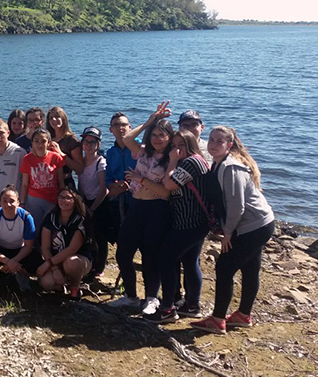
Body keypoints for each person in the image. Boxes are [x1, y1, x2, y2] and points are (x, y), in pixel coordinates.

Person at [191, 126, 275, 334]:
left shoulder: (230, 167)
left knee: (224, 268)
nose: (213, 144)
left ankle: (218, 319)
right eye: (211, 139)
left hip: (253, 226)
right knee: (250, 268)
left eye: (219, 141)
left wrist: (227, 233)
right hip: (257, 223)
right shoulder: (219, 164)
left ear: (229, 145)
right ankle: (243, 315)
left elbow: (237, 206)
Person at [109, 102, 174, 314]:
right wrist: (150, 120)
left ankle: (151, 298)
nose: (156, 139)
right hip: (136, 207)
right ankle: (130, 296)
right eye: (154, 135)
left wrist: (140, 179)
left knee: (150, 257)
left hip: (157, 210)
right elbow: (127, 138)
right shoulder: (143, 152)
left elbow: (165, 192)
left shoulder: (171, 159)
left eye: (161, 135)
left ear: (169, 138)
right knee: (123, 253)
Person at [145, 130, 211, 323]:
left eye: (180, 145)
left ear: (190, 144)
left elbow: (168, 184)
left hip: (189, 223)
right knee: (190, 262)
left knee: (166, 259)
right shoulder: (193, 161)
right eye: (173, 146)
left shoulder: (191, 162)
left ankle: (167, 309)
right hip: (192, 222)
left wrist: (172, 160)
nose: (176, 149)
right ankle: (192, 305)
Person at [0, 185, 41, 292]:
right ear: (0, 202)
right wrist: (8, 261)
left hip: (20, 250)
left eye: (12, 201)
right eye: (4, 201)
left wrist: (14, 261)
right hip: (0, 249)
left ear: (18, 202)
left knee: (35, 264)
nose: (8, 204)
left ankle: (21, 274)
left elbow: (28, 246)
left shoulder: (26, 217)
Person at [37, 188, 93, 298]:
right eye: (61, 197)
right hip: (55, 262)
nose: (64, 201)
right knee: (47, 283)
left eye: (68, 198)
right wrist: (55, 269)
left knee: (71, 263)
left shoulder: (80, 219)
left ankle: (75, 288)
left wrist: (48, 264)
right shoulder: (51, 218)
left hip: (78, 260)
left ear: (75, 200)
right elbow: (45, 247)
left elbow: (72, 249)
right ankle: (62, 287)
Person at [19, 128, 65, 235]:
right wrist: (22, 203)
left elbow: (60, 181)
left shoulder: (56, 158)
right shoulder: (27, 159)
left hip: (52, 199)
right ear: (32, 143)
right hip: (34, 199)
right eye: (36, 141)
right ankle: (34, 250)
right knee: (34, 228)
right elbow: (25, 184)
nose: (40, 144)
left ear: (49, 143)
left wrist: (61, 198)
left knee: (50, 229)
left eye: (43, 141)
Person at [78, 127, 109, 278]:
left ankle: (100, 267)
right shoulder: (81, 161)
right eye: (86, 141)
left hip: (99, 202)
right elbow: (81, 185)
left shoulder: (100, 162)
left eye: (92, 142)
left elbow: (103, 189)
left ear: (98, 144)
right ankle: (89, 265)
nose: (88, 145)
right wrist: (83, 203)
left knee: (100, 236)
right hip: (85, 201)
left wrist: (93, 208)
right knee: (88, 235)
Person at [105, 112, 137, 255]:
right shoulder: (111, 152)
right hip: (120, 201)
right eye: (116, 125)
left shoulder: (140, 147)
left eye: (124, 124)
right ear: (111, 129)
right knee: (122, 240)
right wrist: (114, 186)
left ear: (130, 127)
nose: (120, 128)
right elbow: (109, 178)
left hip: (140, 199)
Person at [46, 106, 84, 189]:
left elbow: (80, 169)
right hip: (48, 184)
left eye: (57, 116)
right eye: (51, 118)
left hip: (66, 183)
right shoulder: (47, 139)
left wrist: (61, 154)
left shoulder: (72, 141)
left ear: (63, 118)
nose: (54, 120)